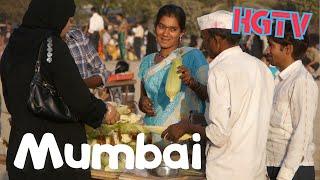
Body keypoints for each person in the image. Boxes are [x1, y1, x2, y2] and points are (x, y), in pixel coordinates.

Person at [0, 0, 119, 179]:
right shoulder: (52, 45)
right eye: (69, 20)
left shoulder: (14, 43)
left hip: (22, 150)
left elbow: (9, 95)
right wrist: (104, 111)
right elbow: (78, 98)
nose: (69, 26)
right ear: (55, 16)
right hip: (56, 154)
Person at [162, 10, 274, 180]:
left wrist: (186, 127)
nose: (204, 45)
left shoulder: (219, 71)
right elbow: (236, 105)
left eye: (205, 39)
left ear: (216, 39)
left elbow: (218, 134)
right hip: (256, 169)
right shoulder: (261, 67)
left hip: (227, 170)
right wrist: (192, 82)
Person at [138, 4, 208, 132]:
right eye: (161, 27)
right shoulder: (147, 61)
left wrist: (193, 83)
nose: (165, 33)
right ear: (155, 28)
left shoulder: (193, 56)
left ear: (182, 32)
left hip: (182, 134)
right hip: (152, 132)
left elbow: (210, 95)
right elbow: (143, 98)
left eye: (173, 29)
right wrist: (143, 103)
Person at [266, 22, 318, 180]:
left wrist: (284, 176)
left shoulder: (302, 81)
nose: (267, 51)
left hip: (293, 171)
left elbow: (302, 134)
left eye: (271, 46)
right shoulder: (279, 80)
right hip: (274, 166)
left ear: (287, 49)